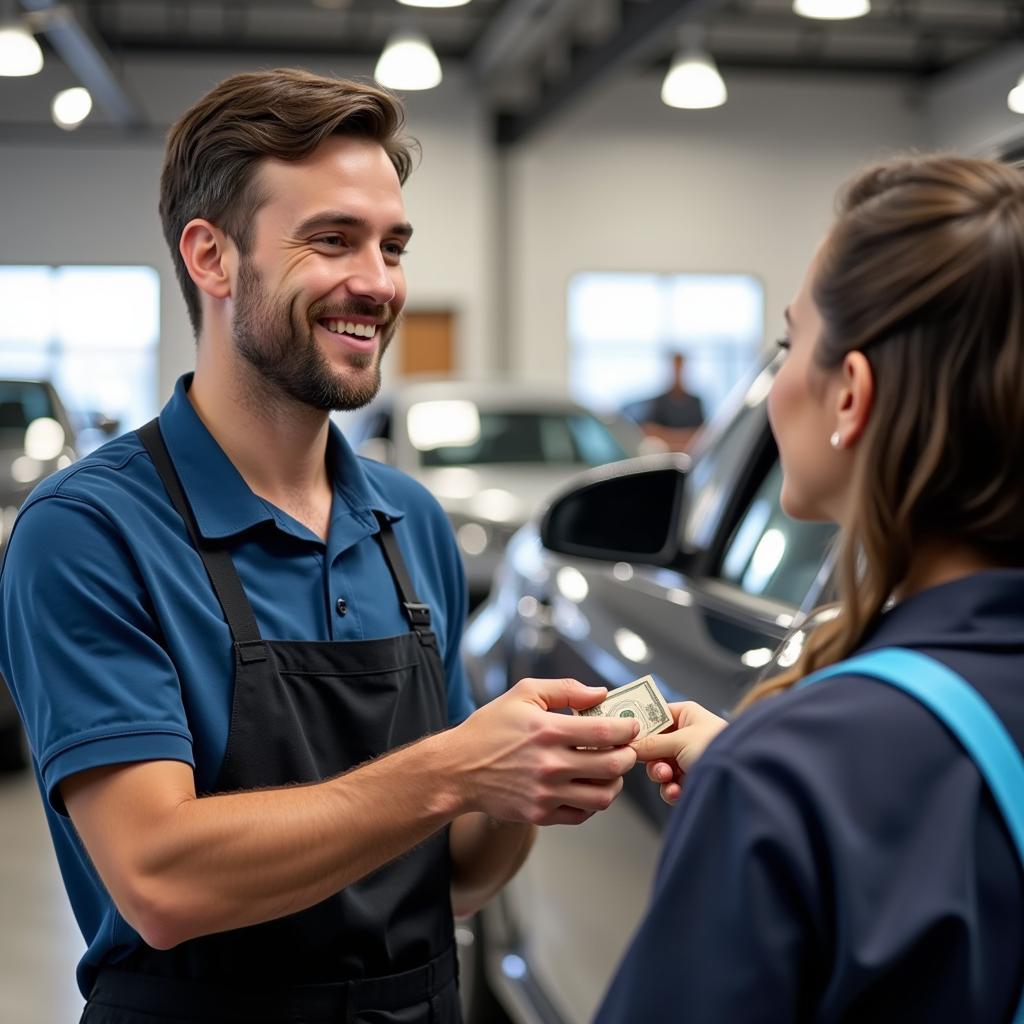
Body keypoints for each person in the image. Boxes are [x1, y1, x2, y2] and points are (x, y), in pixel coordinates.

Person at [0, 69, 640, 1024]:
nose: (378, 284)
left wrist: (525, 784)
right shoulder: (89, 534)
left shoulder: (407, 523)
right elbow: (160, 879)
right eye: (332, 240)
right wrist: (457, 767)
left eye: (392, 246)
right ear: (212, 258)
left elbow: (453, 878)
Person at [598, 155, 1024, 1022]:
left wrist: (762, 793)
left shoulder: (791, 775)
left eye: (793, 343)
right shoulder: (794, 772)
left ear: (850, 397)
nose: (781, 376)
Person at [625, 351, 705, 451]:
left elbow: (702, 435)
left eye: (680, 367)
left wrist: (667, 435)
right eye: (675, 367)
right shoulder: (660, 402)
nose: (678, 371)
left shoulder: (695, 402)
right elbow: (650, 431)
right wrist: (685, 438)